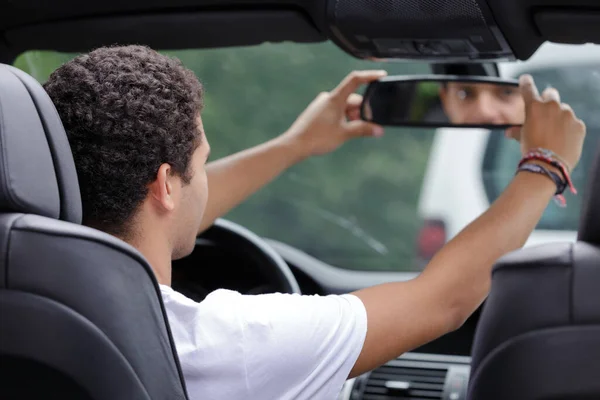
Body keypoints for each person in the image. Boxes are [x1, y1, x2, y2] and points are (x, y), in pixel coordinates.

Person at [44, 45, 585, 400]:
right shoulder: (225, 344)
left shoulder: (27, 297)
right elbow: (442, 300)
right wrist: (544, 166)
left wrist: (294, 145)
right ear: (165, 184)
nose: (204, 177)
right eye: (204, 160)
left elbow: (157, 210)